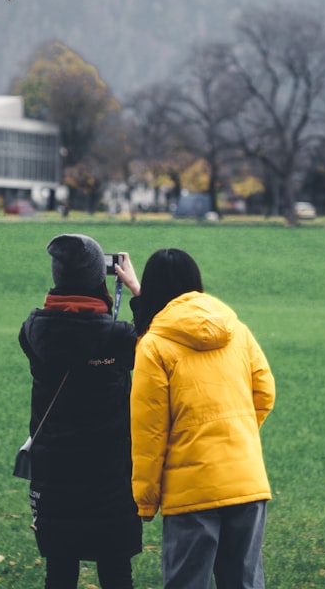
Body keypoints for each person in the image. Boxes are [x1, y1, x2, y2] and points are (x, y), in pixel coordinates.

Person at [114, 248, 276, 589]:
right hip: (246, 480)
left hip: (190, 491)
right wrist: (233, 436)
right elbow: (264, 393)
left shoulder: (154, 346)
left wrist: (145, 500)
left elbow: (149, 431)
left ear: (154, 289)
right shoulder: (236, 329)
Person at [18, 234, 142, 589]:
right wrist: (136, 292)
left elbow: (68, 331)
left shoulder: (33, 330)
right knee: (116, 570)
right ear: (95, 279)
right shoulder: (119, 337)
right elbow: (156, 343)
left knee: (59, 571)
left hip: (54, 468)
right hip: (109, 471)